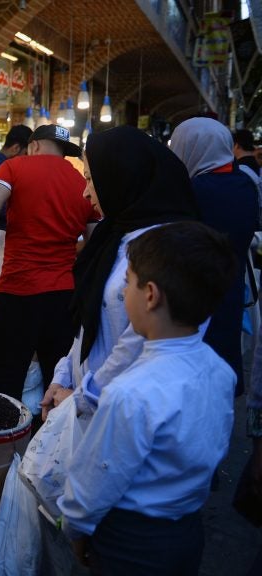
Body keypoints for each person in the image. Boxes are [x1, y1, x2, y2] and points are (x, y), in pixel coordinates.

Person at [59, 221, 237, 575]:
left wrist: (75, 529)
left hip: (129, 541)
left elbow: (95, 482)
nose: (124, 293)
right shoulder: (221, 371)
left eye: (128, 283)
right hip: (186, 532)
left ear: (150, 295)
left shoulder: (129, 393)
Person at [41, 125, 199, 420]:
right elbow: (89, 320)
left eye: (91, 179)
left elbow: (137, 342)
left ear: (122, 176)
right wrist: (62, 375)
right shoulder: (113, 234)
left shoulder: (167, 250)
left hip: (124, 414)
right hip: (88, 402)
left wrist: (82, 395)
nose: (86, 193)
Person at [0, 124, 96, 401]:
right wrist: (67, 246)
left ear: (34, 145)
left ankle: (8, 440)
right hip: (63, 297)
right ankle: (48, 441)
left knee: (6, 384)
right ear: (65, 152)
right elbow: (93, 240)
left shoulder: (15, 167)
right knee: (56, 383)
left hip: (17, 293)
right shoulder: (81, 182)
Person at [170, 117, 259, 394]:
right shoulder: (244, 183)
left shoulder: (193, 191)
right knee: (221, 369)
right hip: (230, 288)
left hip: (192, 296)